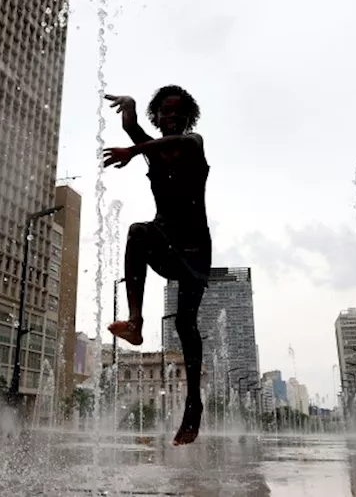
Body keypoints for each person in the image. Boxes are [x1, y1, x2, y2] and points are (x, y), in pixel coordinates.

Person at [101, 85, 211, 446]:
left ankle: (193, 405)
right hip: (163, 238)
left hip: (194, 248)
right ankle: (135, 322)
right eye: (165, 112)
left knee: (184, 322)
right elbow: (133, 129)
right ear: (158, 115)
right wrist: (130, 107)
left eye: (178, 112)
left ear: (187, 116)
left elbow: (156, 144)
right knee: (136, 232)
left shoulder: (194, 142)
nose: (172, 117)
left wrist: (134, 150)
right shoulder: (155, 150)